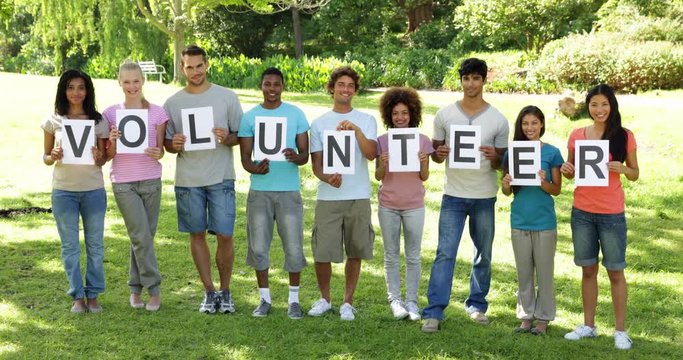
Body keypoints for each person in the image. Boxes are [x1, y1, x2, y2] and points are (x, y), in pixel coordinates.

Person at [421, 58, 509, 333]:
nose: (471, 84)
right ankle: (434, 311)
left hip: (484, 195)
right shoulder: (445, 115)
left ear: (484, 81)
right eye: (466, 78)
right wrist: (439, 154)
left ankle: (477, 305)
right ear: (461, 81)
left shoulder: (498, 119)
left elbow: (501, 163)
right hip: (454, 195)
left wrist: (496, 157)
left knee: (483, 254)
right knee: (445, 252)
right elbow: (436, 155)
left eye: (476, 78)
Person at [163, 45, 243, 314]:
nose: (195, 72)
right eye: (189, 67)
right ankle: (209, 291)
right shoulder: (173, 103)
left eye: (199, 66)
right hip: (188, 179)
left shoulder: (226, 97)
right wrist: (174, 143)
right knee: (196, 234)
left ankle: (226, 290)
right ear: (182, 68)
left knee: (225, 234)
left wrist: (226, 137)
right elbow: (167, 144)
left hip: (220, 176)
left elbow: (239, 136)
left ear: (206, 65)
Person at [560, 84, 639, 350]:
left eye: (604, 104)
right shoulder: (577, 135)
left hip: (611, 213)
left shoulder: (624, 136)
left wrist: (624, 169)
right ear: (588, 107)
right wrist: (566, 168)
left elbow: (635, 172)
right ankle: (589, 326)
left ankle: (620, 330)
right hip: (582, 211)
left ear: (612, 105)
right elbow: (570, 172)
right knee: (588, 270)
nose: (599, 109)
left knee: (616, 272)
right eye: (594, 104)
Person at [238, 67, 309, 319]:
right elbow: (245, 158)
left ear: (283, 86)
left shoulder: (296, 114)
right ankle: (264, 299)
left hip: (289, 191)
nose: (272, 89)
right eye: (267, 84)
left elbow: (304, 156)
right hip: (260, 191)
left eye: (276, 84)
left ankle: (294, 300)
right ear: (261, 86)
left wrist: (295, 156)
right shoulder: (249, 118)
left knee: (293, 247)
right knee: (258, 247)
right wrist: (255, 168)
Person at [308, 66, 377, 321]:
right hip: (328, 196)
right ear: (332, 88)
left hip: (358, 194)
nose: (345, 89)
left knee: (356, 249)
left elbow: (371, 154)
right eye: (341, 85)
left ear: (355, 90)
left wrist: (356, 132)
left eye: (350, 86)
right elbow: (316, 164)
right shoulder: (319, 123)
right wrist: (327, 177)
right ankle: (325, 299)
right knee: (322, 250)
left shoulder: (367, 120)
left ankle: (348, 302)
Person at [42, 69, 109, 313]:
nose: (76, 92)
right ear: (63, 90)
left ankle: (93, 295)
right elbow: (46, 157)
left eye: (81, 87)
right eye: (71, 87)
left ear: (88, 91)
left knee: (95, 245)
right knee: (70, 246)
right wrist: (53, 156)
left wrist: (100, 156)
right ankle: (77, 296)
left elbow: (102, 160)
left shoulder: (98, 121)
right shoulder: (53, 120)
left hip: (93, 190)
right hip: (64, 192)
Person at [103, 61, 168, 311]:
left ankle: (134, 288)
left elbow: (161, 151)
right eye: (127, 81)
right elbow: (107, 156)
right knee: (141, 236)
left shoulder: (158, 113)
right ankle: (154, 290)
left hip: (151, 180)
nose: (132, 86)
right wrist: (112, 142)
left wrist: (157, 152)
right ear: (119, 83)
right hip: (123, 183)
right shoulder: (110, 114)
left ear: (143, 81)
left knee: (143, 237)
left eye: (136, 81)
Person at [501, 106, 563, 335]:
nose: (530, 128)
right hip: (520, 219)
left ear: (542, 125)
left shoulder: (552, 153)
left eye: (534, 123)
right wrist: (506, 184)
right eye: (525, 124)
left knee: (545, 273)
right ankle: (526, 316)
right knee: (524, 272)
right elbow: (507, 191)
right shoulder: (512, 152)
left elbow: (556, 190)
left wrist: (543, 181)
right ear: (520, 126)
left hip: (544, 221)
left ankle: (543, 319)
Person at [375, 87, 433, 321]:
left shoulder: (422, 140)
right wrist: (384, 163)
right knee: (391, 255)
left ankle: (412, 301)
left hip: (414, 205)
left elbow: (425, 176)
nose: (400, 118)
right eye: (396, 113)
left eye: (405, 113)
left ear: (412, 114)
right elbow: (378, 176)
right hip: (388, 204)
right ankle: (395, 300)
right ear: (389, 115)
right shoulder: (382, 141)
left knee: (413, 256)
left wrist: (422, 162)